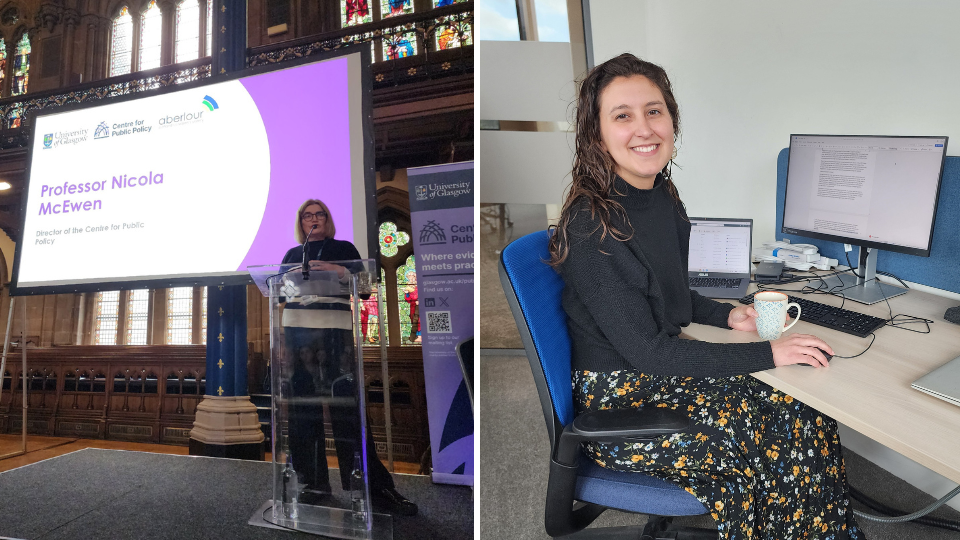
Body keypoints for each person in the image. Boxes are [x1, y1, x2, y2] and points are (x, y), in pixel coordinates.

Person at [548, 54, 861, 539]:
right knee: (765, 433)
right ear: (597, 134)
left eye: (654, 111)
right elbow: (650, 352)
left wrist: (729, 316)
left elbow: (669, 293)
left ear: (671, 119)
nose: (644, 128)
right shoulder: (592, 225)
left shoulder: (661, 195)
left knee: (801, 409)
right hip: (622, 405)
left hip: (657, 377)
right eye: (623, 115)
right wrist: (770, 352)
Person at [281, 198, 417, 516]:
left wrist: (339, 271)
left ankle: (371, 487)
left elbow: (367, 288)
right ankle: (312, 483)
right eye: (307, 216)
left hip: (335, 338)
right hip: (298, 339)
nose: (314, 219)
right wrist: (291, 278)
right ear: (301, 222)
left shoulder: (344, 248)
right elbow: (279, 293)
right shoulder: (291, 255)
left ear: (327, 219)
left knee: (348, 413)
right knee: (303, 414)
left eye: (319, 214)